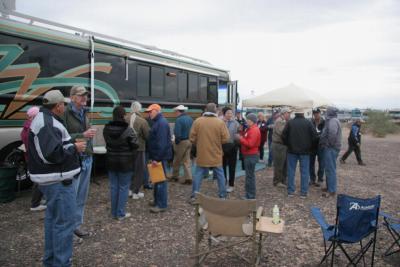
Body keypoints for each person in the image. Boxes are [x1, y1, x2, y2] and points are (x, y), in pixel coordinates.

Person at [28, 90, 85, 267]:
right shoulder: (47, 123)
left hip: (52, 182)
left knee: (54, 222)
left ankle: (51, 261)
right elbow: (52, 154)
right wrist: (74, 148)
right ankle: (61, 263)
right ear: (58, 105)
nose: (65, 106)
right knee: (64, 225)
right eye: (63, 104)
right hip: (58, 182)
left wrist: (70, 145)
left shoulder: (45, 119)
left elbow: (54, 146)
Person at [63, 85, 96, 238]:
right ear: (73, 97)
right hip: (74, 159)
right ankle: (68, 231)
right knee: (71, 196)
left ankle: (76, 226)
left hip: (87, 157)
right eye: (81, 95)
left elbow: (84, 136)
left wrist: (89, 137)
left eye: (86, 95)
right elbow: (61, 137)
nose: (85, 98)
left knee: (82, 196)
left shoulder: (84, 113)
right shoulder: (65, 113)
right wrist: (82, 134)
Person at [190, 103, 230, 202]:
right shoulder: (220, 122)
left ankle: (194, 196)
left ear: (205, 110)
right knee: (220, 174)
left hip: (202, 153)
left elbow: (192, 138)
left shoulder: (198, 121)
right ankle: (222, 196)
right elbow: (226, 139)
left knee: (198, 174)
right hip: (216, 153)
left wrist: (199, 143)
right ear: (215, 110)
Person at [103, 106, 138, 220]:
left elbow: (107, 142)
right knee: (123, 187)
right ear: (123, 116)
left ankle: (113, 213)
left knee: (113, 187)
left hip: (111, 161)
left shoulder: (106, 128)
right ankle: (120, 213)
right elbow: (135, 145)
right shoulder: (128, 129)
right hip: (125, 162)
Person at [282, 108, 317, 198]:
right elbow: (315, 137)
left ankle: (290, 191)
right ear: (303, 113)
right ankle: (303, 192)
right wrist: (311, 147)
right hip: (305, 151)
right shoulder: (308, 123)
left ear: (295, 113)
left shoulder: (290, 123)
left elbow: (283, 136)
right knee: (305, 172)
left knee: (291, 171)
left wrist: (288, 145)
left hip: (292, 151)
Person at [146, 104, 172, 213]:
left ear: (156, 111)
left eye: (150, 111)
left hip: (160, 157)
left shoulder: (160, 123)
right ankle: (157, 201)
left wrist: (157, 158)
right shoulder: (159, 122)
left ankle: (161, 205)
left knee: (160, 181)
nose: (148, 114)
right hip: (159, 156)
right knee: (157, 180)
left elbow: (162, 143)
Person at [20, 106, 46, 211]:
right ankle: (35, 204)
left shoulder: (26, 127)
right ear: (35, 116)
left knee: (40, 179)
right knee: (40, 180)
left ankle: (39, 200)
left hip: (31, 158)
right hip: (36, 158)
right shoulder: (32, 128)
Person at [126, 101, 150, 199]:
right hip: (139, 149)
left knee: (129, 170)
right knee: (139, 170)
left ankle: (128, 190)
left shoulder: (125, 119)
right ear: (139, 109)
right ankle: (135, 192)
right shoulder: (142, 121)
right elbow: (147, 136)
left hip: (127, 149)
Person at [236, 113, 261, 199]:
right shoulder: (250, 129)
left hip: (251, 155)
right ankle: (249, 194)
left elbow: (250, 144)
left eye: (248, 120)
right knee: (249, 175)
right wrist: (242, 133)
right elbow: (247, 138)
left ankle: (250, 196)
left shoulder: (254, 130)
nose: (246, 121)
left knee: (250, 176)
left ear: (252, 121)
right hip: (248, 155)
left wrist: (240, 139)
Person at [319, 107, 342, 197]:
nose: (325, 113)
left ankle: (331, 190)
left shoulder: (333, 121)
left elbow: (332, 134)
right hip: (331, 148)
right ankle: (329, 187)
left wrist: (328, 144)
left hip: (331, 148)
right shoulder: (333, 120)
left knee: (330, 169)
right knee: (328, 168)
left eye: (326, 112)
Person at [171, 105, 193, 184]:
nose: (175, 113)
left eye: (175, 112)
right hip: (189, 141)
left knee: (177, 159)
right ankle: (188, 178)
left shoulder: (179, 120)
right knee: (187, 160)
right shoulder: (190, 119)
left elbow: (177, 132)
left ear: (178, 111)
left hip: (181, 142)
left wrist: (176, 142)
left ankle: (175, 176)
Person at [222, 107, 240, 193]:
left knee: (232, 167)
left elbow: (238, 134)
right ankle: (223, 182)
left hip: (232, 146)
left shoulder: (236, 123)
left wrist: (236, 143)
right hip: (222, 146)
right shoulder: (220, 122)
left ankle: (231, 184)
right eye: (227, 113)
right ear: (224, 114)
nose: (229, 114)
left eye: (230, 113)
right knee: (223, 166)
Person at [271, 107, 291, 187]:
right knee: (279, 164)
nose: (289, 115)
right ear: (284, 113)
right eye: (288, 113)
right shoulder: (280, 121)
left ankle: (283, 180)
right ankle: (277, 181)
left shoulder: (284, 121)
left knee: (284, 164)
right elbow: (282, 133)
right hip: (278, 145)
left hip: (283, 145)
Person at [309, 108, 326, 186]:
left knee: (321, 163)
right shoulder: (310, 122)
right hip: (311, 146)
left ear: (320, 113)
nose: (316, 114)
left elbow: (325, 133)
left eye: (317, 113)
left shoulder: (324, 122)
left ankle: (320, 179)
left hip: (321, 146)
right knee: (310, 163)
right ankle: (312, 179)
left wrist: (318, 136)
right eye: (314, 113)